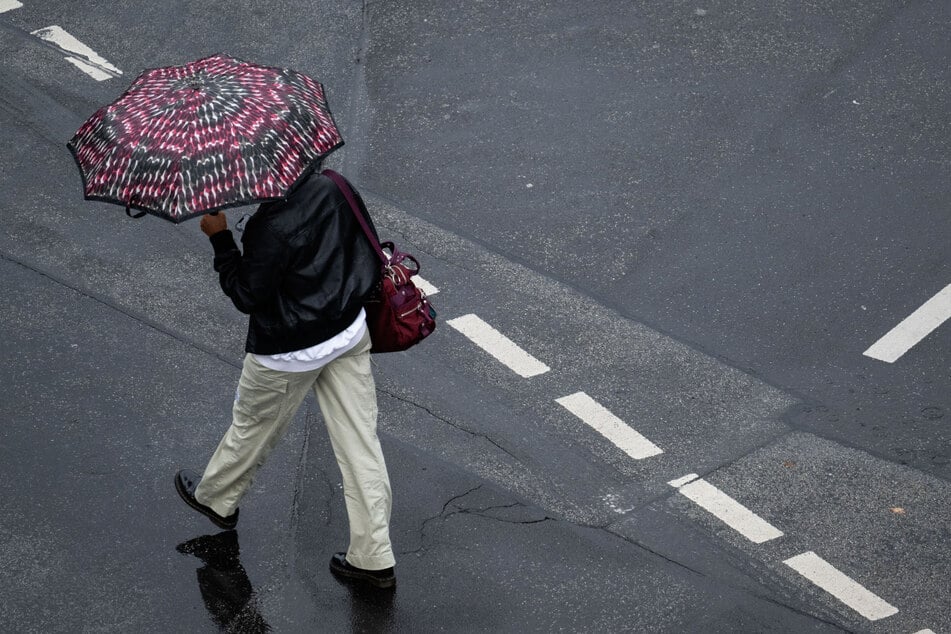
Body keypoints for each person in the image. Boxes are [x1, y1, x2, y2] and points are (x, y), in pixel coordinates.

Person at [174, 168, 397, 589]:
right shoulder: (335, 184)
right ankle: (373, 557)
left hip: (288, 351)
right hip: (347, 333)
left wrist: (220, 238)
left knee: (253, 427)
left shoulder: (269, 226)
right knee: (361, 444)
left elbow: (246, 295)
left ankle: (217, 499)